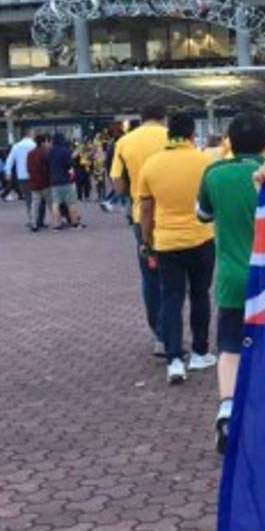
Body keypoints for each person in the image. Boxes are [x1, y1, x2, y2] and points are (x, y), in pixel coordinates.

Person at [197, 110, 265, 452]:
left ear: (229, 142)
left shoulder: (215, 173)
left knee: (229, 347)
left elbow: (203, 214)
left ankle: (227, 411)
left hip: (231, 278)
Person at [138, 111, 217, 385]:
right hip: (201, 237)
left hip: (166, 241)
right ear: (193, 134)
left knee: (171, 297)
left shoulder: (152, 164)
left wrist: (146, 241)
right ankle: (199, 351)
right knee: (200, 295)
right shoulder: (206, 162)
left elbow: (146, 209)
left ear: (168, 133)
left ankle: (173, 358)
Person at [111, 104, 170, 355]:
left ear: (141, 119)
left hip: (142, 216)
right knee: (178, 276)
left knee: (150, 275)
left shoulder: (124, 142)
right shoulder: (172, 136)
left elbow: (116, 181)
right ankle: (179, 331)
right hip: (174, 214)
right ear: (163, 118)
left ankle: (160, 334)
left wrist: (130, 192)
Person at [47, 133, 84, 230]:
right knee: (71, 203)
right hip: (65, 181)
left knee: (56, 204)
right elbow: (70, 166)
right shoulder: (65, 151)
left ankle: (57, 224)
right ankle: (74, 223)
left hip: (54, 181)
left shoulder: (50, 152)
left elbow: (47, 166)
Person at [5, 131, 38, 220]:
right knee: (37, 198)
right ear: (32, 136)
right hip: (34, 175)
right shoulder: (34, 145)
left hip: (22, 176)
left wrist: (8, 173)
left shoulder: (16, 146)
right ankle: (37, 218)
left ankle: (30, 217)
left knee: (28, 198)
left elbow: (9, 161)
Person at [26, 134, 51, 232]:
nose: (47, 143)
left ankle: (33, 224)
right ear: (42, 142)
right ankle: (56, 221)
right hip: (45, 182)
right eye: (46, 141)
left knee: (35, 204)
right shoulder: (45, 152)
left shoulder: (30, 153)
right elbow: (47, 167)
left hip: (34, 182)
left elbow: (28, 168)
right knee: (51, 203)